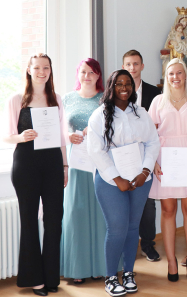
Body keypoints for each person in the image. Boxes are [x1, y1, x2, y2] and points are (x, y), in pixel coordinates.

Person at [87, 69, 160, 297]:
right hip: (110, 180)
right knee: (117, 227)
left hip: (140, 178)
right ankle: (111, 277)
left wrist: (145, 171)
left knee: (132, 227)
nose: (124, 87)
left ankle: (128, 273)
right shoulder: (99, 115)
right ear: (111, 86)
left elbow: (152, 142)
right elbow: (96, 151)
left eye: (128, 83)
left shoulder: (141, 113)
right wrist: (116, 178)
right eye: (119, 83)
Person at [4, 53, 68, 296]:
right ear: (29, 70)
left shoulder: (57, 99)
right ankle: (36, 280)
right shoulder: (16, 99)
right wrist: (21, 137)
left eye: (47, 68)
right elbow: (6, 135)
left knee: (54, 222)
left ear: (51, 71)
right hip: (26, 165)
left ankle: (51, 277)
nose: (42, 72)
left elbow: (62, 137)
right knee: (29, 222)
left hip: (53, 164)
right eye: (38, 67)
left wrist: (65, 166)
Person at [148, 58, 187, 282]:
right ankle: (171, 261)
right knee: (168, 210)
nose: (175, 77)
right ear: (166, 76)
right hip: (165, 160)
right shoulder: (157, 102)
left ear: (186, 75)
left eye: (180, 73)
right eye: (171, 73)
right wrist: (153, 161)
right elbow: (150, 136)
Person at [60, 58, 107, 284]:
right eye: (83, 72)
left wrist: (94, 129)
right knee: (76, 213)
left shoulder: (104, 99)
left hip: (98, 162)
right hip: (75, 161)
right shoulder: (66, 98)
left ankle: (99, 266)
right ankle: (77, 268)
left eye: (91, 72)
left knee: (100, 212)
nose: (86, 76)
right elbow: (57, 129)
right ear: (77, 74)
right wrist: (67, 136)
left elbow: (112, 127)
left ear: (98, 75)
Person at [122, 49, 162, 262]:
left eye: (136, 64)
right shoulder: (116, 91)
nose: (132, 68)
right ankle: (127, 247)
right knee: (123, 201)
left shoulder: (154, 93)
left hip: (146, 154)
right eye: (128, 64)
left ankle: (147, 244)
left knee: (147, 203)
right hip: (122, 158)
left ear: (142, 66)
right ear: (123, 67)